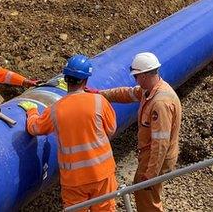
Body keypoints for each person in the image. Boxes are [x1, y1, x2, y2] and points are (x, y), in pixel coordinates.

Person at [21, 55, 118, 212]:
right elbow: (111, 130)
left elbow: (34, 129)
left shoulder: (54, 110)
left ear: (66, 79)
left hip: (74, 179)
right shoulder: (99, 102)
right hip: (102, 173)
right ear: (86, 80)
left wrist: (31, 111)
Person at [101, 52, 182, 212]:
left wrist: (151, 173)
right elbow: (127, 93)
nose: (135, 80)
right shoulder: (150, 90)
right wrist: (100, 95)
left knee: (147, 198)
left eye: (136, 76)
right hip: (152, 154)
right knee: (146, 193)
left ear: (144, 75)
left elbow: (160, 143)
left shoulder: (160, 103)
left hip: (156, 157)